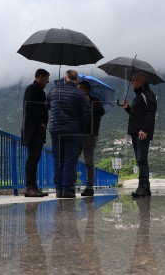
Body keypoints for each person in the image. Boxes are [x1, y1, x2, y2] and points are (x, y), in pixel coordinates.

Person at [47, 70, 90, 198]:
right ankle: (67, 190)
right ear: (76, 80)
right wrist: (82, 129)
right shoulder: (80, 94)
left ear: (65, 78)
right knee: (70, 160)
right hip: (73, 130)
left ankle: (58, 190)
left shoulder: (53, 91)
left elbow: (48, 106)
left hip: (55, 130)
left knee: (58, 160)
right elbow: (86, 114)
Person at [122, 72, 157, 197]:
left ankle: (142, 188)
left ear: (142, 80)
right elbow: (136, 115)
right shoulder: (138, 96)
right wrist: (127, 108)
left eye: (134, 79)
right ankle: (146, 189)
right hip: (136, 132)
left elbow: (151, 113)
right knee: (140, 160)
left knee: (142, 160)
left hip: (142, 133)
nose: (132, 81)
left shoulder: (148, 94)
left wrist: (145, 129)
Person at [21, 68, 50, 197]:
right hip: (33, 130)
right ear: (40, 77)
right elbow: (30, 109)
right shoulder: (32, 89)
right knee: (32, 158)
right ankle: (29, 187)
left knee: (35, 158)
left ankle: (33, 187)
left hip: (37, 131)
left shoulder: (39, 91)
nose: (47, 81)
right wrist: (40, 122)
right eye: (46, 78)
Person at [78, 80, 106, 197]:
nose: (78, 91)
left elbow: (101, 112)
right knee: (72, 159)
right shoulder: (77, 102)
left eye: (80, 89)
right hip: (77, 134)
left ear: (87, 90)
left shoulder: (95, 101)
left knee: (89, 161)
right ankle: (70, 185)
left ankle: (89, 187)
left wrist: (90, 104)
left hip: (90, 134)